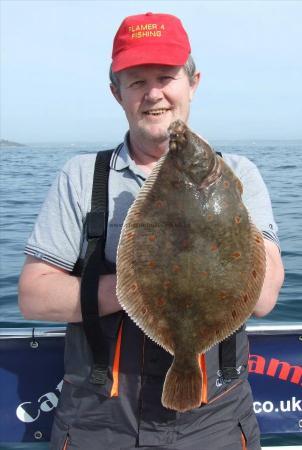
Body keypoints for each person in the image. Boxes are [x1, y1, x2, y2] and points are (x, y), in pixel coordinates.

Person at [19, 12, 284, 450]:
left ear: (193, 82)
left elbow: (263, 298)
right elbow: (32, 297)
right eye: (137, 81)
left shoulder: (239, 174)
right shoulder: (82, 177)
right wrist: (141, 287)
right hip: (96, 422)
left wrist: (211, 252)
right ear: (116, 93)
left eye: (166, 77)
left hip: (214, 423)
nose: (154, 94)